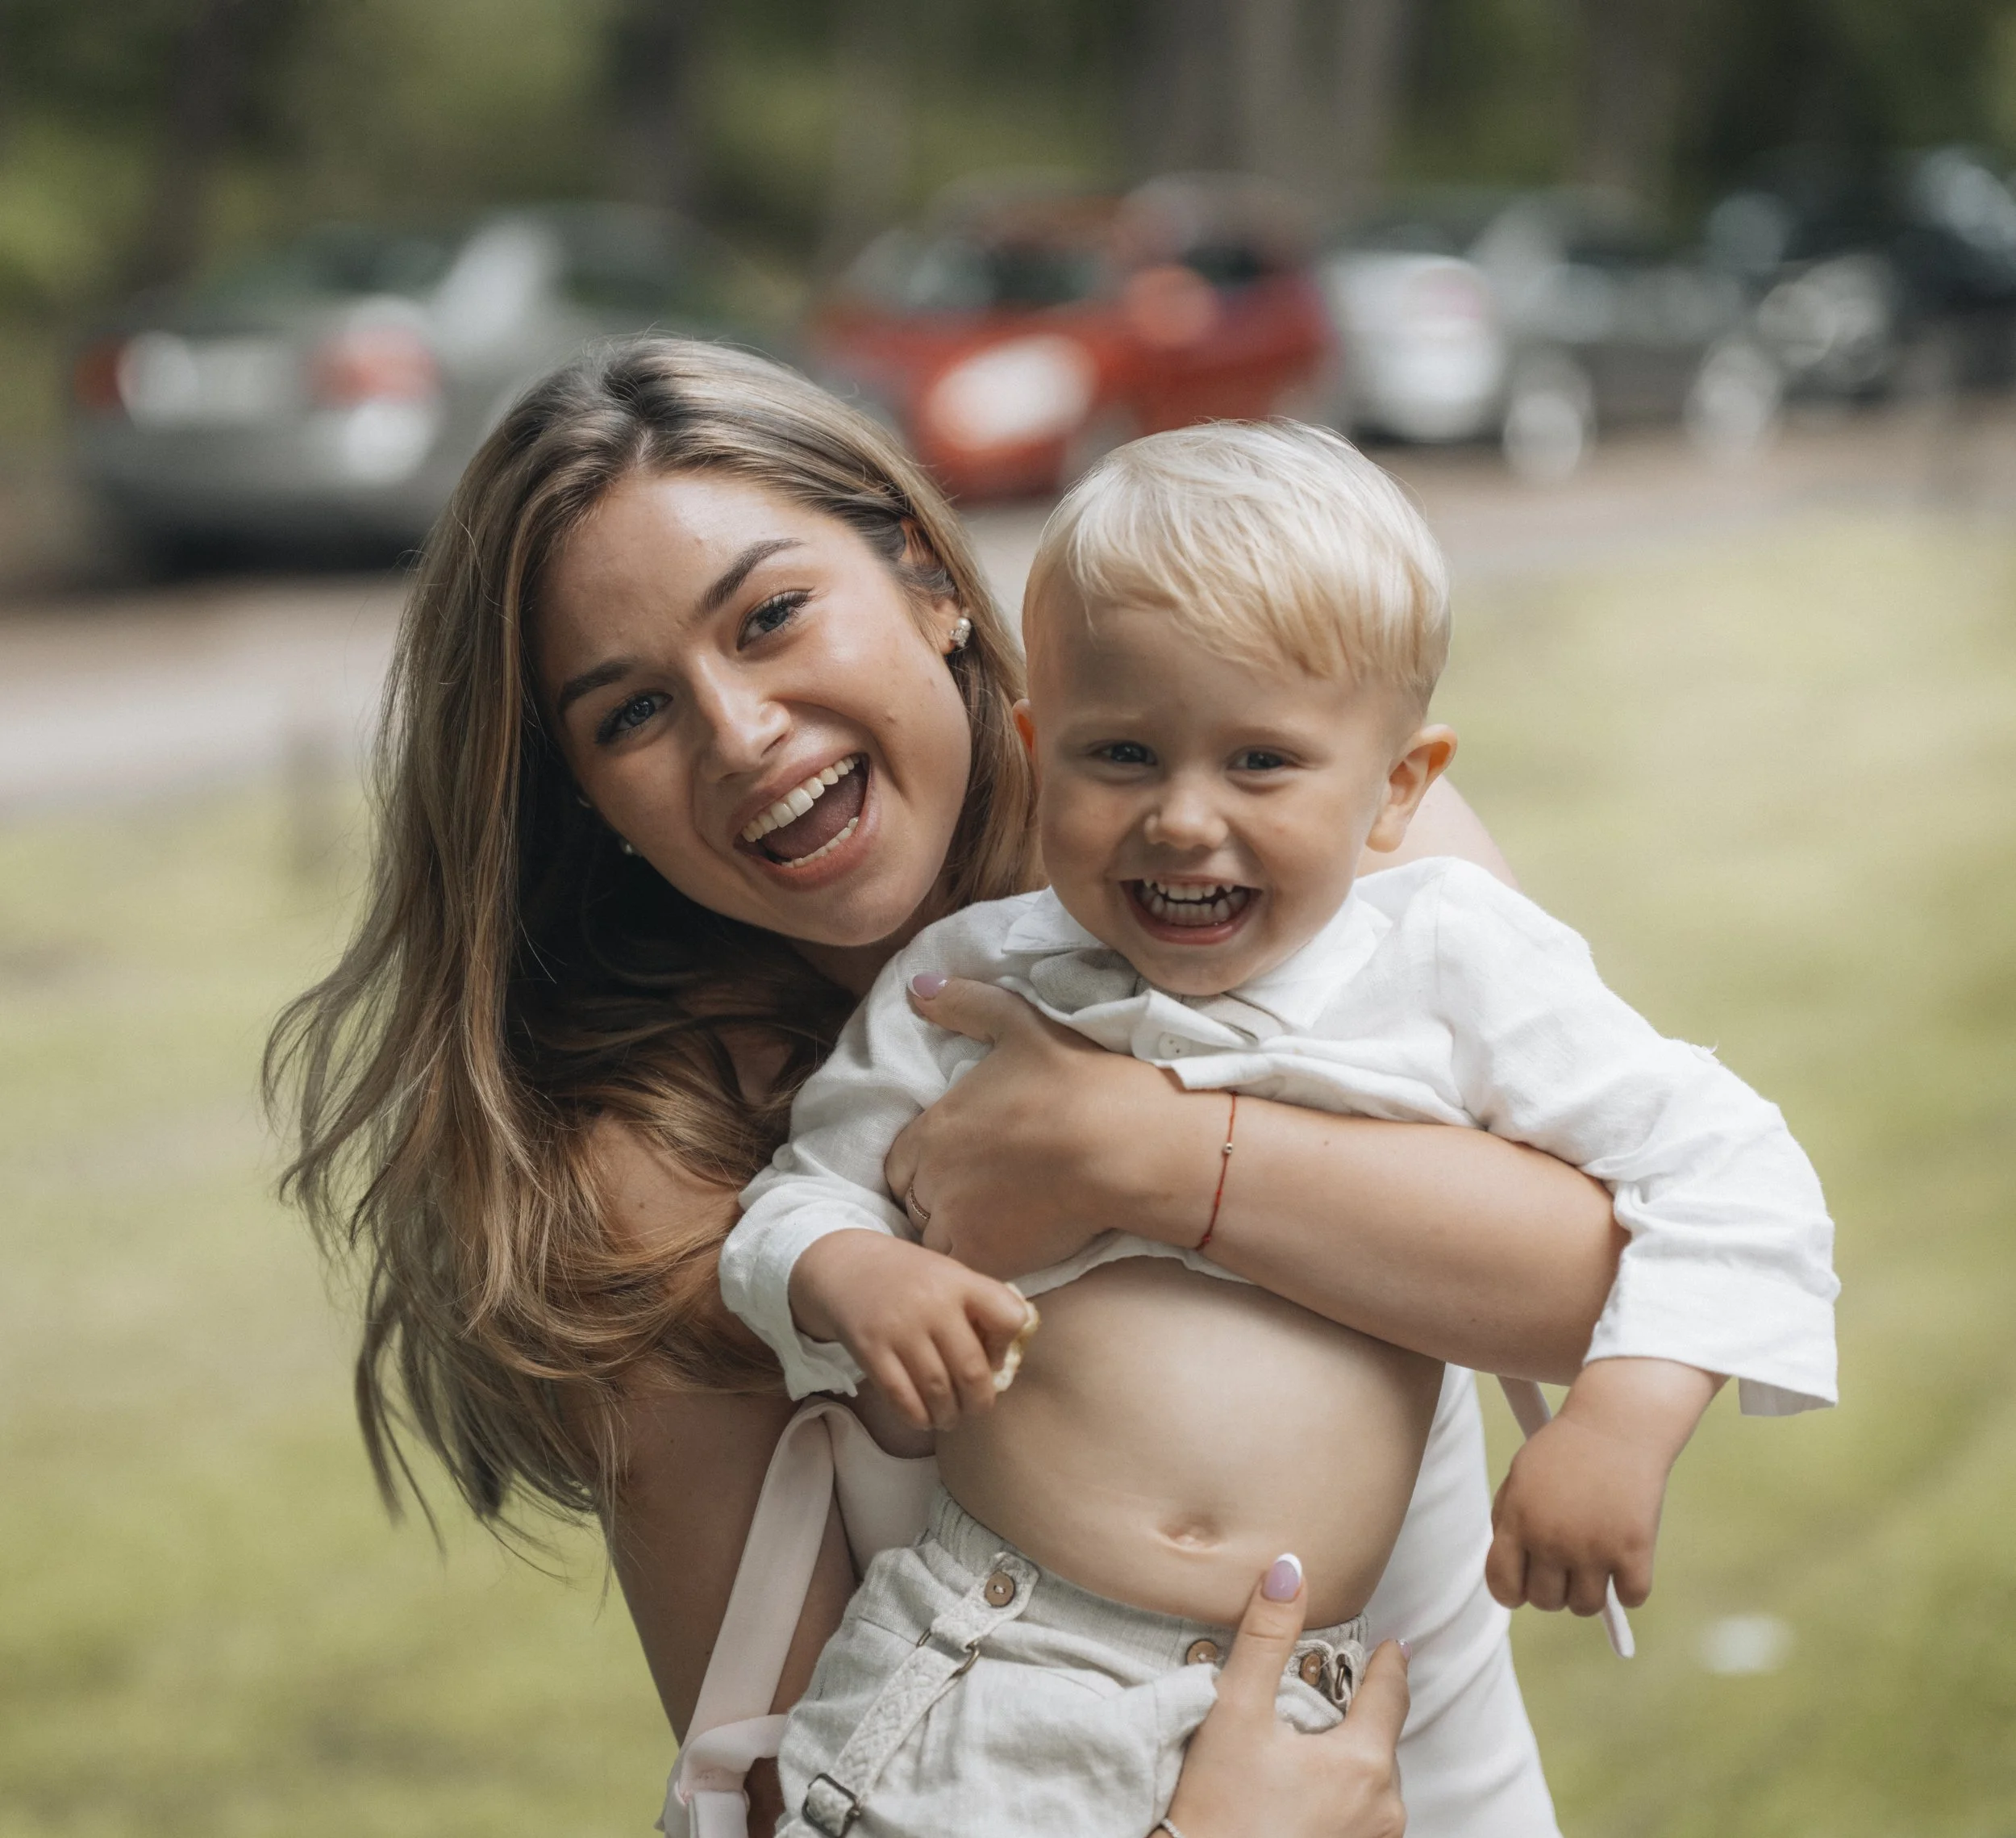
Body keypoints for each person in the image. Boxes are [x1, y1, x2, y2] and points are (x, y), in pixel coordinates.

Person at [267, 339, 1629, 1838]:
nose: (740, 731)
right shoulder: (660, 1163)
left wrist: (1145, 1152)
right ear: (584, 797)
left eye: (772, 614)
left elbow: (1617, 1268)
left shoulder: (1289, 815)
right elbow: (787, 1790)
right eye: (631, 714)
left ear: (923, 572)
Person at [721, 422, 1837, 1836]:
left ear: (1397, 789)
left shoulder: (1448, 964)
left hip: (1295, 1703)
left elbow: (1733, 1166)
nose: (1185, 820)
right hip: (986, 1678)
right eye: (1120, 753)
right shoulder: (970, 981)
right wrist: (850, 1271)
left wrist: (1626, 1416)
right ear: (1035, 747)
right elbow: (788, 1207)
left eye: (1260, 762)